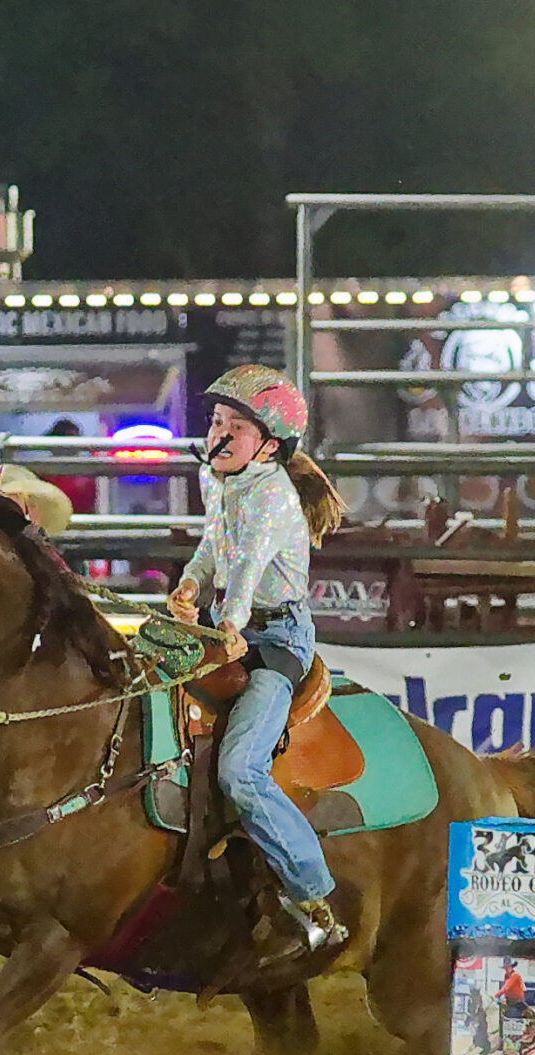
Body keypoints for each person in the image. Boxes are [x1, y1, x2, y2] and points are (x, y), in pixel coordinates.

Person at [165, 364, 350, 963]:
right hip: (233, 625)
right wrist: (191, 584)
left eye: (236, 427)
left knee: (241, 769)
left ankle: (314, 895)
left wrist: (228, 623)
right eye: (217, 421)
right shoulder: (219, 480)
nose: (219, 434)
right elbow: (215, 547)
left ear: (269, 446)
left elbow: (246, 567)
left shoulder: (272, 495)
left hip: (276, 639)